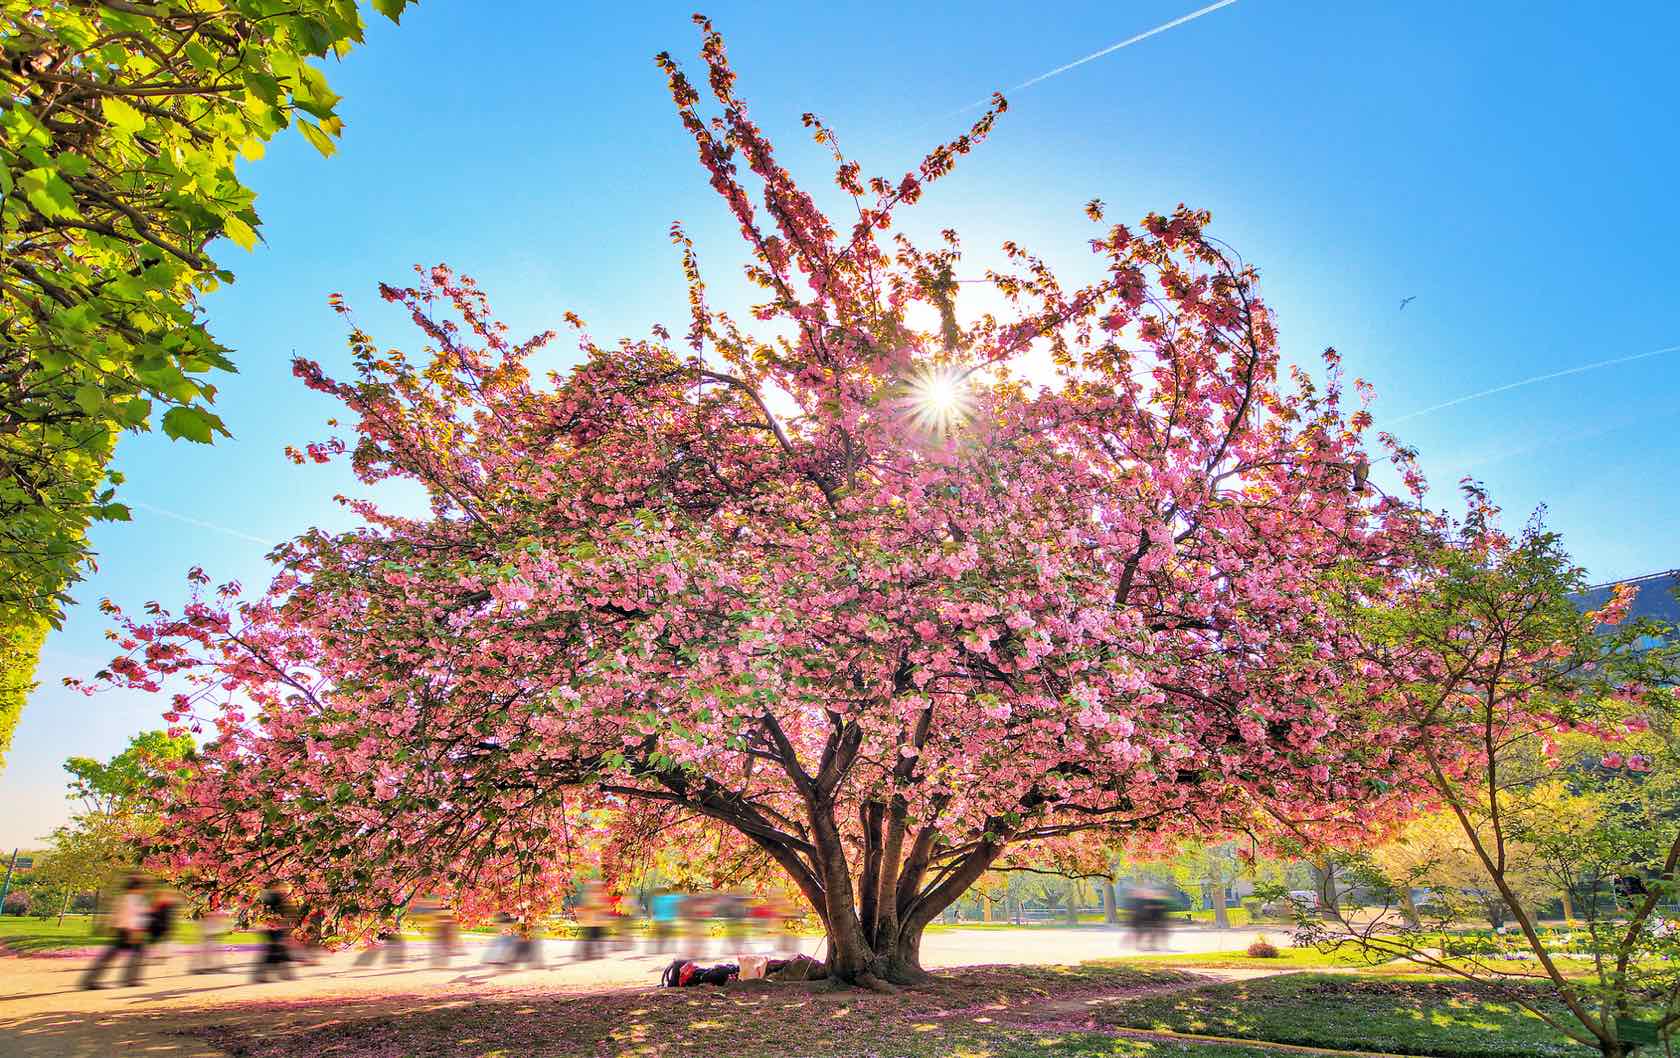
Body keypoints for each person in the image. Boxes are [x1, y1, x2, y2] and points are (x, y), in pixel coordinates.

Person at [81, 876, 150, 989]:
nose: (144, 890)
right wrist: (135, 931)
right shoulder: (134, 899)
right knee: (132, 954)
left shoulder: (125, 898)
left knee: (114, 955)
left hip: (123, 930)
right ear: (138, 887)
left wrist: (113, 926)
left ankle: (92, 980)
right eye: (143, 887)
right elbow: (132, 916)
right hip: (130, 931)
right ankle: (128, 979)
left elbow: (116, 915)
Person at [252, 888, 297, 983]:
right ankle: (283, 974)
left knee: (276, 951)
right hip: (273, 930)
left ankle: (285, 974)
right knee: (275, 951)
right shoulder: (274, 905)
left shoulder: (270, 904)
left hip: (272, 929)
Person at [192, 905, 230, 974]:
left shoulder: (214, 914)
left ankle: (217, 966)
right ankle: (200, 967)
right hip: (208, 934)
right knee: (206, 950)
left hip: (212, 934)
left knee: (215, 950)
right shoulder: (206, 915)